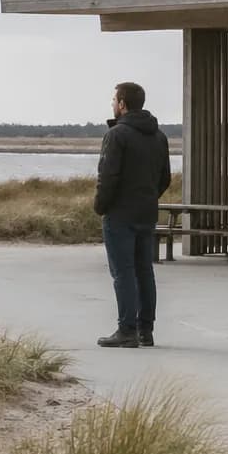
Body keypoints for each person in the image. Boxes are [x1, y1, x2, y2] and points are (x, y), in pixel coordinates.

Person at [93, 81, 172, 348]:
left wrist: (101, 206)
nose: (112, 104)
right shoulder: (159, 136)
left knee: (123, 273)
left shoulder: (117, 135)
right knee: (144, 271)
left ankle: (126, 330)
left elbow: (107, 176)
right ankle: (145, 330)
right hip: (146, 212)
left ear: (123, 104)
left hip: (120, 214)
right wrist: (148, 197)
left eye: (114, 100)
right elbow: (165, 178)